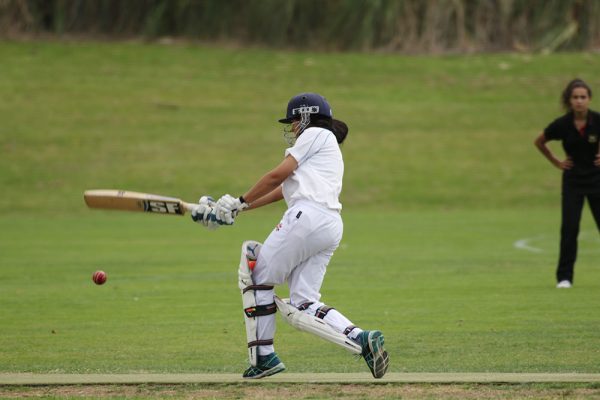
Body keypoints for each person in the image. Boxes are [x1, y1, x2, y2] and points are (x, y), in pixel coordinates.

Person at [190, 93, 389, 379]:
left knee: (255, 273)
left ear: (305, 116)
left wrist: (239, 201)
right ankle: (362, 339)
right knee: (303, 302)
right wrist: (238, 209)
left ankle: (264, 357)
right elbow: (281, 190)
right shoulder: (325, 145)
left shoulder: (316, 133)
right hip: (329, 224)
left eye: (294, 120)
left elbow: (276, 176)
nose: (292, 127)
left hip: (306, 218)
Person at [534, 79, 600, 288]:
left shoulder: (597, 121)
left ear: (589, 99)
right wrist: (556, 161)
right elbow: (539, 141)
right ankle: (565, 277)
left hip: (597, 180)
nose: (579, 101)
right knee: (569, 229)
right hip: (573, 182)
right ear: (569, 100)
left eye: (583, 97)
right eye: (575, 97)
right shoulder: (562, 124)